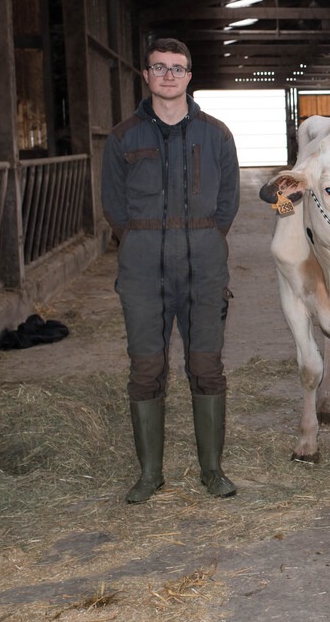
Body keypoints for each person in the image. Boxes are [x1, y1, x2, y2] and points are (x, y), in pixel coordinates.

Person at [102, 38, 240, 503]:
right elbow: (114, 207)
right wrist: (141, 241)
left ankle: (212, 471)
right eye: (159, 68)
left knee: (206, 366)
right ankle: (149, 474)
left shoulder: (216, 134)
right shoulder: (123, 137)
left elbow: (229, 204)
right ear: (146, 75)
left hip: (203, 265)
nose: (168, 75)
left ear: (189, 76)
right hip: (142, 267)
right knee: (146, 367)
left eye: (176, 68)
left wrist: (201, 239)